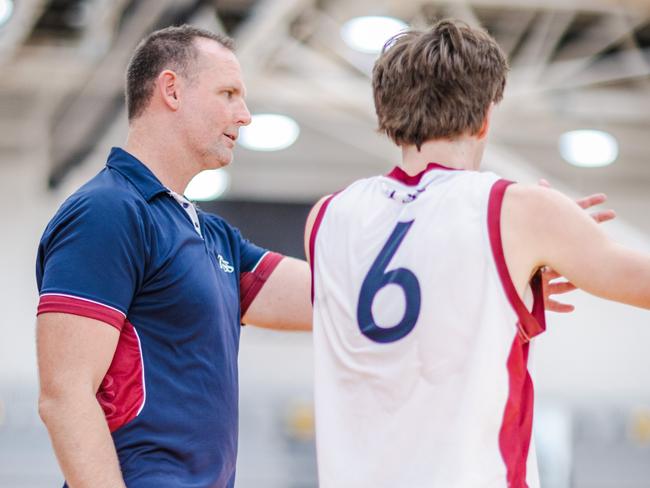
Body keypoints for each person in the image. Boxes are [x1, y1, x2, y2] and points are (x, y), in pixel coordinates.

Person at [305, 19, 650, 488]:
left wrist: (505, 274)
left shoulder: (327, 216)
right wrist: (549, 234)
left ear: (386, 113)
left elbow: (405, 301)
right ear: (487, 116)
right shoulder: (516, 209)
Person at [35, 26, 311, 488]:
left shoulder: (210, 234)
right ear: (172, 90)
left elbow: (333, 297)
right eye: (228, 94)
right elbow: (64, 396)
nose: (244, 116)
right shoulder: (108, 211)